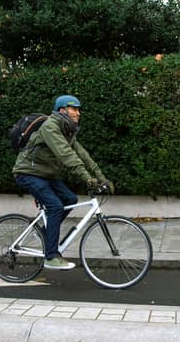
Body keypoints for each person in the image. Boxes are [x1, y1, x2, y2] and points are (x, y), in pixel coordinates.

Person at [13, 95, 114, 270]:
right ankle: (51, 256)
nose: (78, 113)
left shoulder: (68, 131)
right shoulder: (50, 127)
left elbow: (84, 156)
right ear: (62, 110)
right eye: (74, 109)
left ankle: (45, 234)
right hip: (28, 173)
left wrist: (102, 178)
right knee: (55, 206)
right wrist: (87, 178)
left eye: (78, 109)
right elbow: (67, 155)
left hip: (46, 175)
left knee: (70, 199)